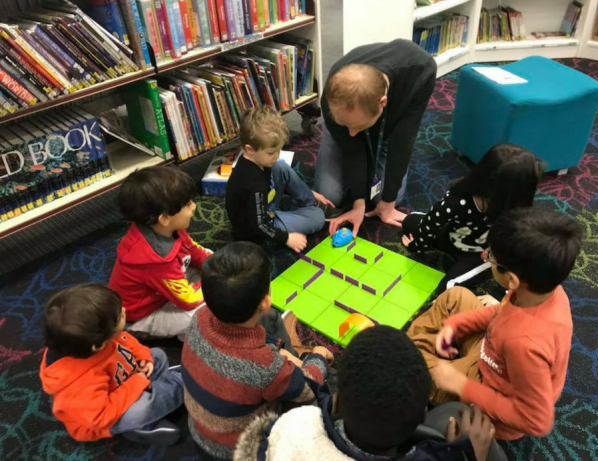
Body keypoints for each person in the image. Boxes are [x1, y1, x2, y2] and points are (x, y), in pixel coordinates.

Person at [408, 208, 582, 440]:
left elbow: (537, 420)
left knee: (408, 364)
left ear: (512, 279)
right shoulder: (545, 291)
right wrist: (455, 325)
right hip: (492, 354)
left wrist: (461, 385)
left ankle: (413, 363)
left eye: (490, 256)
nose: (485, 257)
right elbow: (501, 312)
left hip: (486, 392)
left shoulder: (524, 345)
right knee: (456, 295)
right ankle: (425, 356)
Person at [234, 326, 507, 461]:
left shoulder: (294, 423)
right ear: (418, 428)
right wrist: (466, 454)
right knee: (459, 417)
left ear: (338, 400)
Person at [182, 241, 334, 460]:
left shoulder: (199, 317)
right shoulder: (266, 368)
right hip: (241, 449)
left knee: (271, 319)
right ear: (265, 300)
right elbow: (310, 386)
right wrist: (318, 355)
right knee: (316, 400)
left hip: (198, 427)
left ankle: (287, 352)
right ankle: (297, 355)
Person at [316, 39, 437, 236]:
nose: (353, 134)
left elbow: (403, 142)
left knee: (388, 198)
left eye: (358, 126)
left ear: (383, 103)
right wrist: (358, 204)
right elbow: (351, 145)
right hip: (340, 123)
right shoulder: (333, 94)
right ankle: (351, 126)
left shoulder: (421, 69)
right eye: (350, 126)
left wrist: (387, 204)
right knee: (330, 195)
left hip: (391, 128)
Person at [39, 284, 184, 445]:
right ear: (99, 345)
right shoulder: (78, 386)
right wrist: (137, 381)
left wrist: (142, 357)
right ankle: (143, 424)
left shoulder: (89, 338)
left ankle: (164, 388)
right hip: (109, 414)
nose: (124, 311)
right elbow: (102, 417)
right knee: (139, 411)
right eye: (119, 317)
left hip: (126, 379)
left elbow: (124, 339)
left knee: (156, 355)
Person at [402, 144, 542, 294]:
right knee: (409, 221)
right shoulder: (457, 199)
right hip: (453, 237)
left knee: (449, 287)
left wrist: (501, 294)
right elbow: (431, 223)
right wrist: (417, 245)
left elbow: (517, 251)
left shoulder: (515, 211)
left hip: (483, 254)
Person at [108, 166, 213, 339]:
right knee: (203, 311)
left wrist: (218, 268)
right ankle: (188, 335)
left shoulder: (167, 227)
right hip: (143, 315)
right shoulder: (155, 260)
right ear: (164, 218)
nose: (194, 207)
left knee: (212, 257)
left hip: (164, 288)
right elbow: (189, 301)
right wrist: (220, 284)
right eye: (187, 204)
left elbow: (194, 251)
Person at [226, 105, 332, 253]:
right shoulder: (254, 183)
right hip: (259, 228)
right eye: (271, 153)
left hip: (266, 206)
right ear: (250, 150)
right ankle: (302, 210)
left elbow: (275, 169)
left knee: (280, 167)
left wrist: (310, 194)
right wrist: (287, 238)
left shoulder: (256, 160)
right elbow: (260, 225)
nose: (276, 156)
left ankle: (309, 200)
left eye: (278, 150)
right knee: (318, 217)